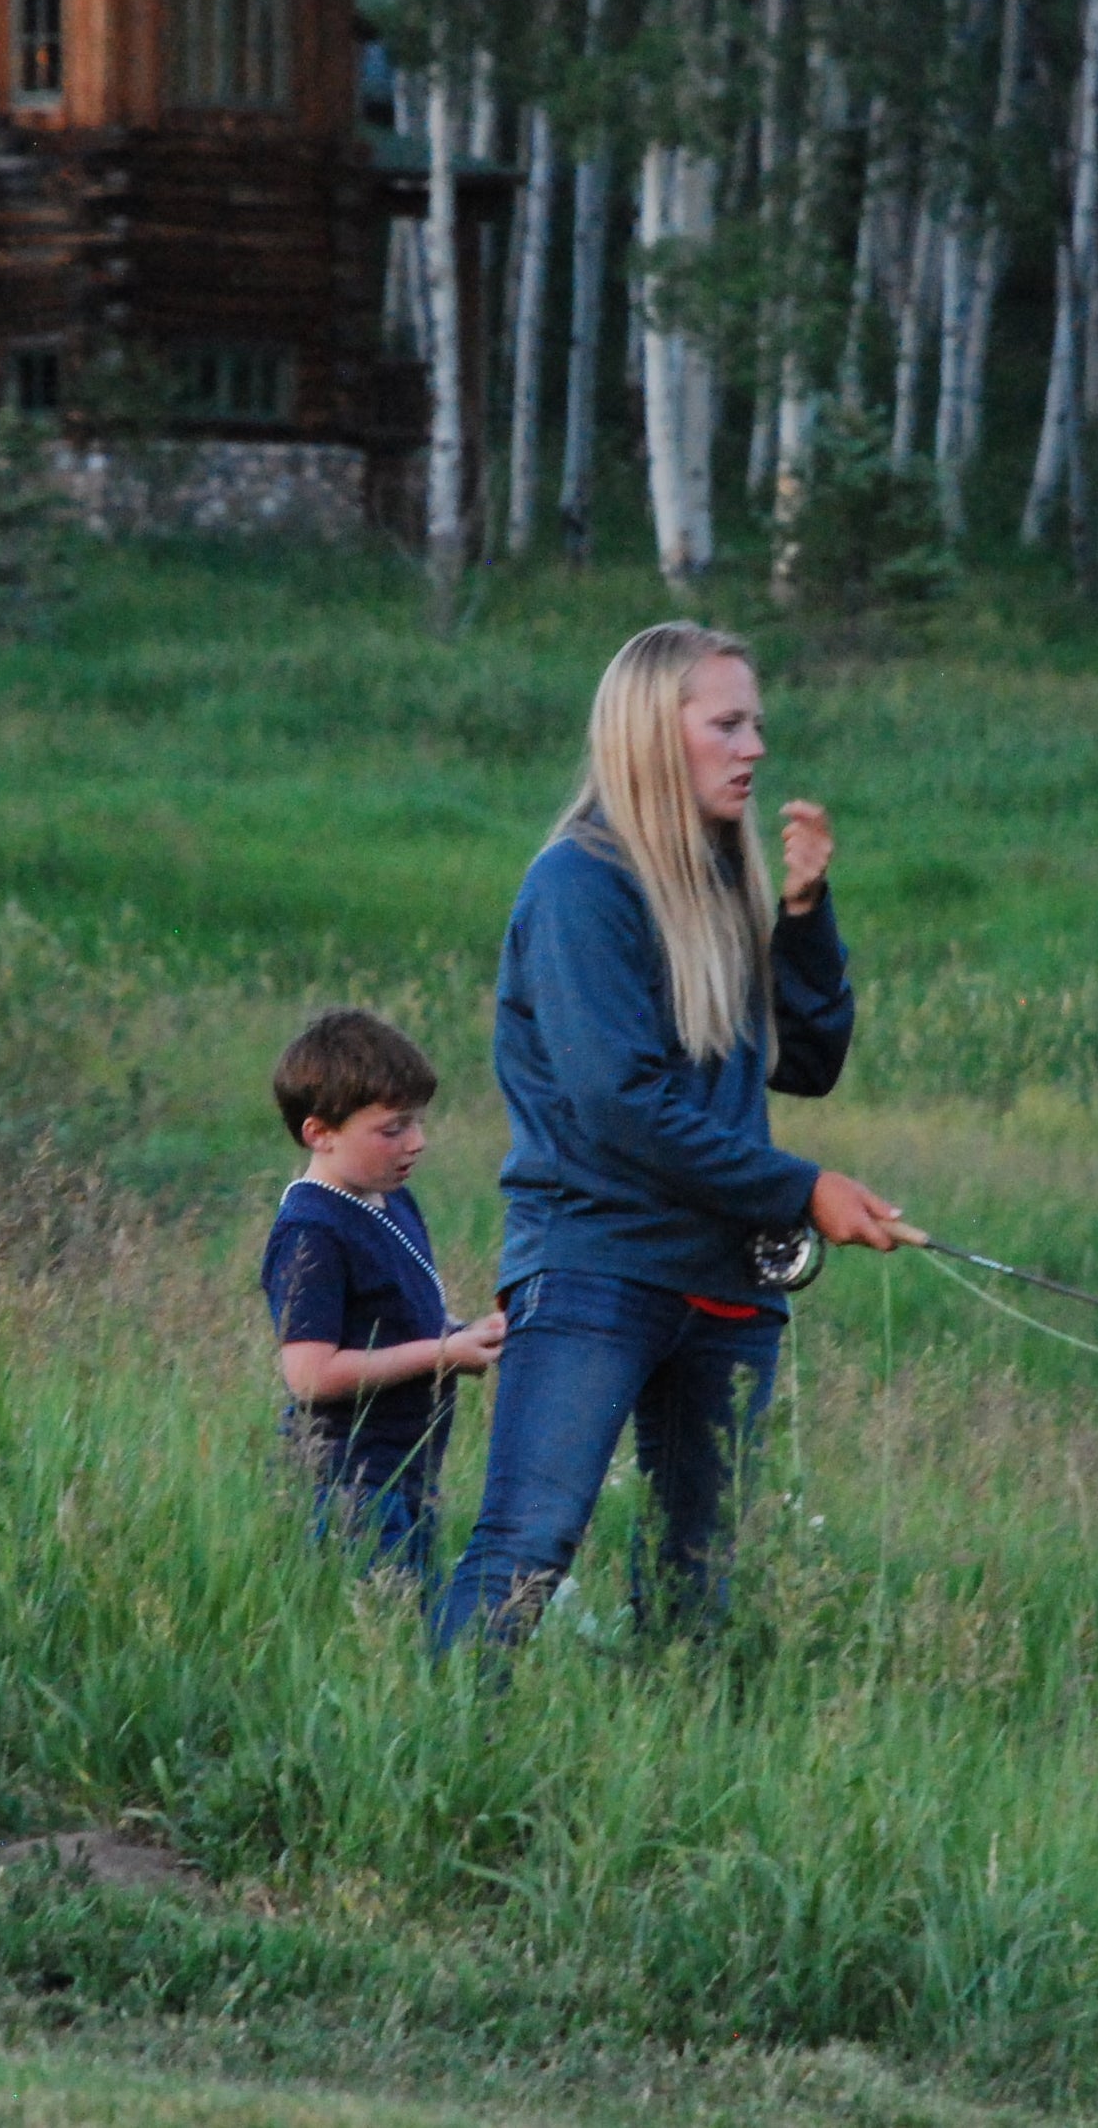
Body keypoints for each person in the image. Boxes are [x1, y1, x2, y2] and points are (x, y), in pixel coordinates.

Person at [430, 622, 911, 1654]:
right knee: (526, 1547)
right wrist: (801, 1189)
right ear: (656, 731)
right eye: (728, 723)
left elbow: (808, 1062)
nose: (755, 749)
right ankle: (430, 1775)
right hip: (596, 1268)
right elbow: (619, 1105)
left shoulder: (718, 885)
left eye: (758, 725)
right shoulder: (579, 887)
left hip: (730, 1290)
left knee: (697, 1587)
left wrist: (804, 910)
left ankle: (670, 1792)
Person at [261, 1008, 506, 1587]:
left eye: (418, 1122)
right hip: (349, 1482)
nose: (416, 1142)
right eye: (392, 1129)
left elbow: (395, 1318)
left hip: (407, 1471)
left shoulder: (390, 1200)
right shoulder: (312, 1231)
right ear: (318, 1132)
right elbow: (311, 1375)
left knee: (412, 1619)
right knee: (375, 1631)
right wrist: (443, 1355)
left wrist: (468, 1332)